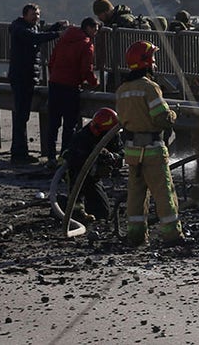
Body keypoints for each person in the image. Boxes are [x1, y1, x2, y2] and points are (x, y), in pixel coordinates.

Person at [116, 40, 188, 246]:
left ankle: (136, 236)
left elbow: (122, 119)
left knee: (136, 196)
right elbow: (161, 118)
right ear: (146, 63)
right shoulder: (150, 88)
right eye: (153, 60)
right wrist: (173, 114)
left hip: (132, 152)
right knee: (164, 193)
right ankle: (173, 236)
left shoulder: (122, 89)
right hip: (153, 152)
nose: (155, 64)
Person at [8, 4, 65, 165]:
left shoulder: (30, 28)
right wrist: (58, 33)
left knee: (22, 116)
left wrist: (55, 27)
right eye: (33, 14)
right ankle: (18, 154)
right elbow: (35, 38)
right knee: (21, 116)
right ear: (24, 15)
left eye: (38, 14)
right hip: (21, 78)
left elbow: (39, 35)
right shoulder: (20, 29)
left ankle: (20, 152)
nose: (36, 17)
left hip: (27, 78)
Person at [43, 17, 101, 163]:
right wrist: (94, 83)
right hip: (70, 86)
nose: (96, 32)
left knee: (53, 123)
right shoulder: (86, 44)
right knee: (69, 125)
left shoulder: (64, 39)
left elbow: (51, 61)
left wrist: (54, 76)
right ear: (88, 28)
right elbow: (86, 69)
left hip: (55, 84)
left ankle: (50, 156)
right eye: (95, 29)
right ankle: (64, 156)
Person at [62, 107, 123, 223]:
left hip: (94, 179)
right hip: (79, 176)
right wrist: (95, 161)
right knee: (76, 205)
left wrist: (112, 156)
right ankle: (70, 209)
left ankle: (86, 208)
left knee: (102, 214)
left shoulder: (113, 133)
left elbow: (121, 152)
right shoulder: (82, 137)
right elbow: (74, 161)